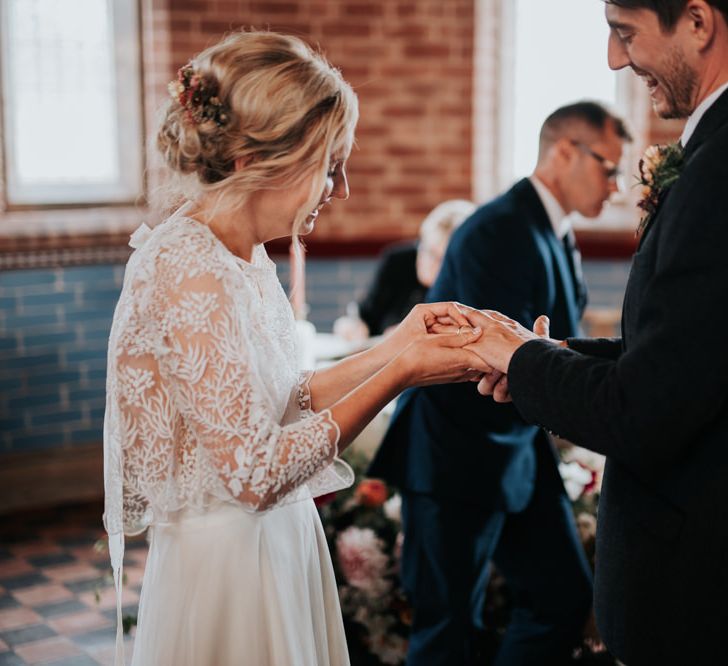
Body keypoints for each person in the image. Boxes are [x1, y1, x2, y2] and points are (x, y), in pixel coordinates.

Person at [102, 31, 488, 666]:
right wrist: (401, 375)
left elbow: (288, 397)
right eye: (329, 165)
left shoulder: (243, 254)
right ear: (264, 160)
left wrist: (401, 342)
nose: (339, 191)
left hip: (275, 541)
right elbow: (253, 474)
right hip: (227, 568)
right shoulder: (184, 263)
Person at [462, 2, 728, 665]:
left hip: (696, 593)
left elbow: (643, 410)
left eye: (625, 31)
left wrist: (519, 360)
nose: (615, 59)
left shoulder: (717, 173)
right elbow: (683, 355)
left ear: (698, 22)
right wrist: (544, 354)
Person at [368, 101, 631, 665]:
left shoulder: (551, 229)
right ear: (564, 152)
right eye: (609, 167)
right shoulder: (500, 229)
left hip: (515, 451)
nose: (616, 185)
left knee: (562, 596)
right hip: (456, 453)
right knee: (447, 628)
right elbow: (492, 354)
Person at [334, 199, 476, 340]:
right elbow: (363, 316)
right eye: (428, 250)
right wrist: (352, 327)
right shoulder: (398, 261)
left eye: (442, 259)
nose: (430, 263)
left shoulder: (468, 285)